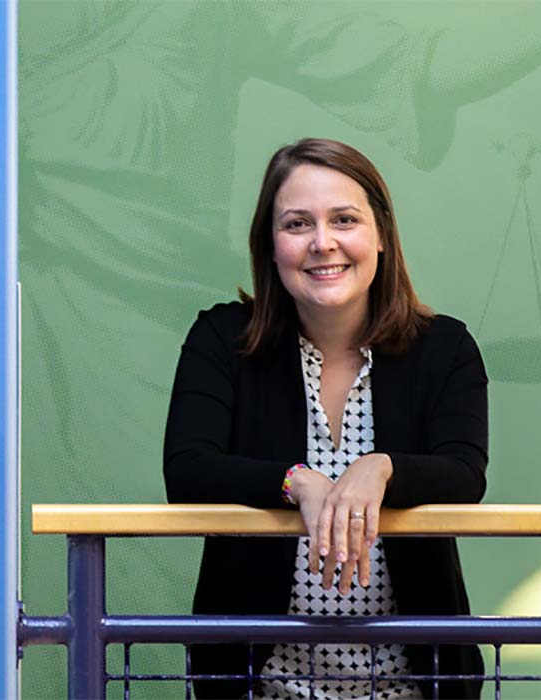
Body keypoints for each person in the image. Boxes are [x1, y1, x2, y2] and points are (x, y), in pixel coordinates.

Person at [164, 138, 489, 699]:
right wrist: (294, 481)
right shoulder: (221, 340)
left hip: (414, 684)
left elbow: (464, 472)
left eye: (344, 219)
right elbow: (188, 469)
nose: (323, 243)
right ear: (269, 245)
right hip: (259, 684)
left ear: (380, 235)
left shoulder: (445, 347)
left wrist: (382, 468)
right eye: (296, 224)